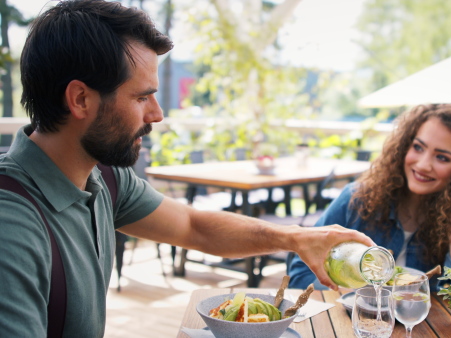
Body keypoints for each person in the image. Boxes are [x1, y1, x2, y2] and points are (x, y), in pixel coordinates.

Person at [0, 1, 374, 337]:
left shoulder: (105, 178)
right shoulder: (11, 225)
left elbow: (194, 227)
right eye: (142, 97)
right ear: (81, 99)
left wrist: (293, 238)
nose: (157, 114)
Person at [288, 102, 451, 290]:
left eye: (442, 157)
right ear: (404, 147)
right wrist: (353, 293)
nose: (423, 165)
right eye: (418, 147)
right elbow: (300, 273)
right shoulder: (357, 199)